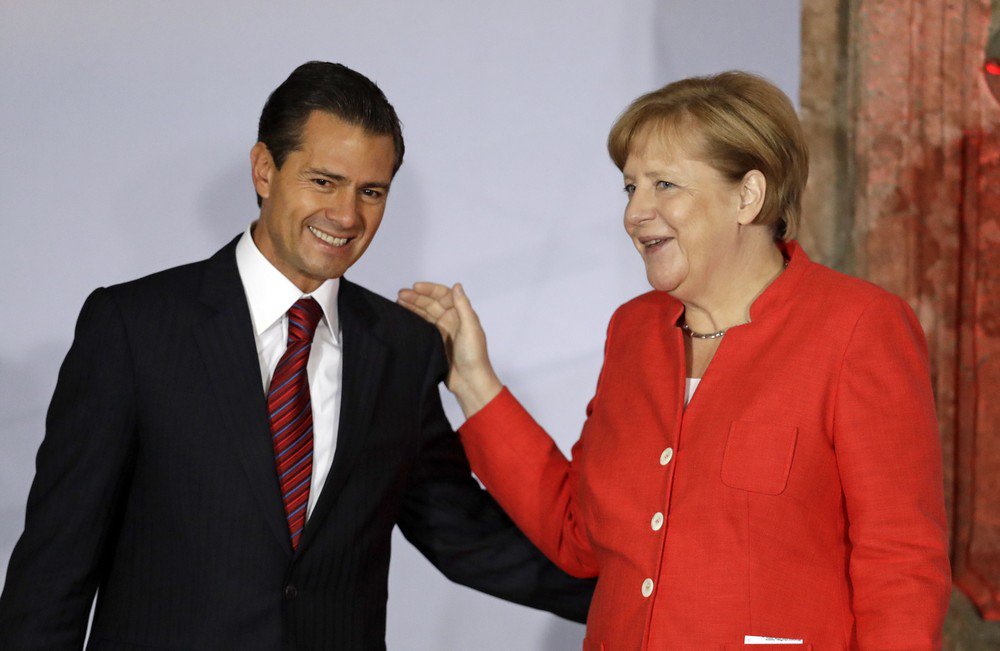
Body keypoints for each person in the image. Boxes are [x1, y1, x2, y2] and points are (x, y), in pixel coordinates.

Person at [0, 61, 594, 650]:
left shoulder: (402, 349)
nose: (347, 216)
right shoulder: (135, 327)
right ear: (265, 169)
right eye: (324, 182)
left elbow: (466, 538)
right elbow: (55, 569)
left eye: (371, 192)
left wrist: (639, 593)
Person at [398, 71, 952, 649]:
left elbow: (900, 565)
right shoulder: (633, 331)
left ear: (748, 196)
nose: (635, 213)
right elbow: (578, 536)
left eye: (664, 184)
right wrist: (472, 379)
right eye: (630, 188)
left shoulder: (858, 327)